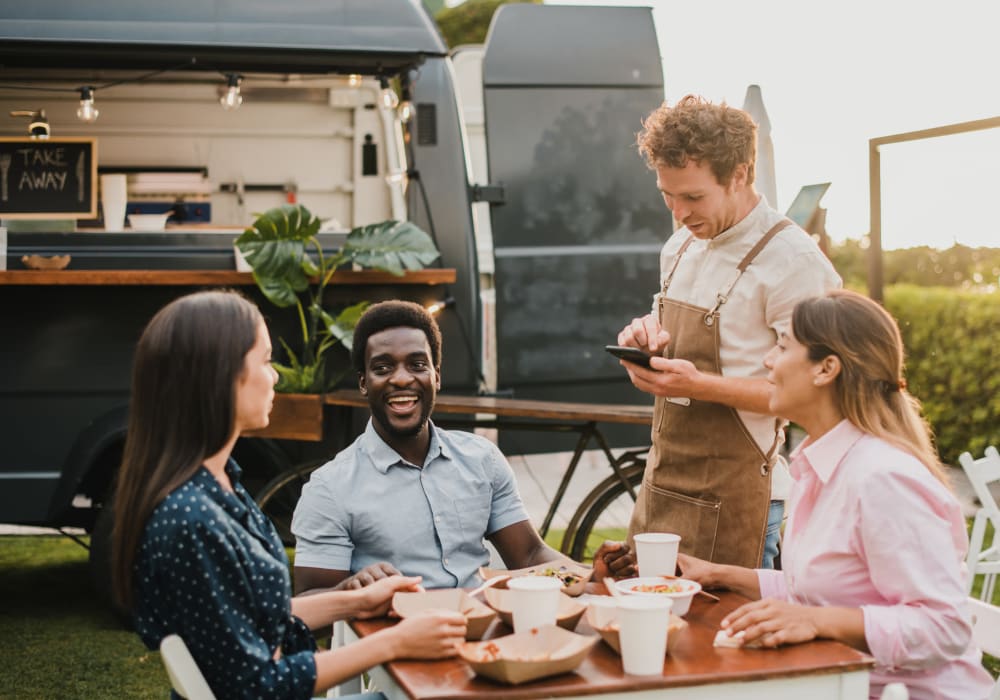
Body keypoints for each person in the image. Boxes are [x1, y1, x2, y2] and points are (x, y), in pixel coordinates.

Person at [111, 291, 467, 700]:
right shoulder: (192, 519)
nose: (275, 376)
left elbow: (256, 615)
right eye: (265, 360)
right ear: (220, 376)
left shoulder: (219, 484)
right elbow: (259, 687)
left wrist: (357, 601)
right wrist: (395, 642)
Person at [678, 289, 995, 700]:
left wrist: (816, 621)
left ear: (826, 368)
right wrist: (719, 574)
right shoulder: (824, 464)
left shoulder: (883, 479)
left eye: (782, 346)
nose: (768, 361)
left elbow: (944, 626)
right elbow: (821, 590)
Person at [616, 95, 841, 569]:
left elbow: (815, 397)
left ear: (739, 175)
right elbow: (677, 343)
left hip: (740, 505)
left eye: (693, 197)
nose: (678, 212)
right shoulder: (679, 246)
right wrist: (646, 341)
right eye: (667, 195)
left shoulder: (794, 264)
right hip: (661, 489)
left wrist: (697, 385)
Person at [291, 300, 635, 594]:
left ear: (436, 376)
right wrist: (351, 589)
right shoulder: (330, 488)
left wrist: (589, 576)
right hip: (391, 658)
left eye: (417, 364)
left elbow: (529, 556)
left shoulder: (481, 459)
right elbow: (307, 606)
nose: (400, 378)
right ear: (364, 383)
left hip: (485, 640)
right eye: (383, 367)